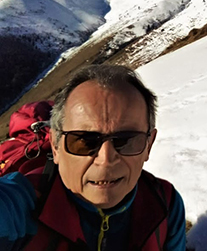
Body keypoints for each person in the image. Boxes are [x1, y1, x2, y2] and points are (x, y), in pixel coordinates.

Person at [0, 64, 186, 250]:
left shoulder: (166, 204)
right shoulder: (21, 206)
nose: (106, 159)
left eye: (127, 140)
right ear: (56, 145)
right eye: (84, 141)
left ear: (148, 145)